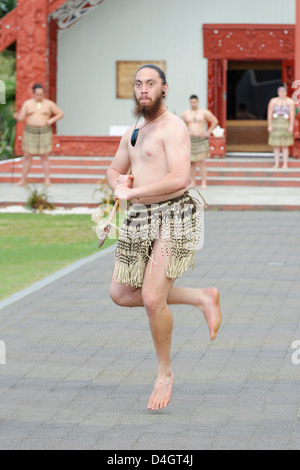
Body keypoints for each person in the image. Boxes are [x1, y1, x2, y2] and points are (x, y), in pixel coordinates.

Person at [107, 65, 222, 411]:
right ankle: (203, 297)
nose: (144, 89)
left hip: (175, 214)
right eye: (139, 84)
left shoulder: (174, 128)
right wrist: (118, 183)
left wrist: (135, 189)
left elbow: (180, 179)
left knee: (154, 299)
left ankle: (164, 371)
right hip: (140, 216)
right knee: (122, 293)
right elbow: (114, 169)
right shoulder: (134, 131)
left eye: (151, 83)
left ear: (164, 88)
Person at [13, 83, 64, 185]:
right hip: (30, 131)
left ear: (44, 94)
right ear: (33, 93)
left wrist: (51, 120)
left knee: (44, 156)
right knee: (27, 156)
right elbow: (22, 117)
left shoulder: (49, 104)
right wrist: (16, 116)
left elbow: (60, 114)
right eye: (37, 94)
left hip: (44, 131)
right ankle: (22, 180)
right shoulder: (27, 104)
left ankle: (47, 180)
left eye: (41, 94)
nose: (39, 96)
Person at [181, 95, 218, 189]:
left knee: (202, 161)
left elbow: (215, 121)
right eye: (191, 102)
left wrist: (208, 132)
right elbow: (180, 125)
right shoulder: (185, 114)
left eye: (195, 102)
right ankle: (192, 181)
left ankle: (203, 182)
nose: (193, 103)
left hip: (201, 138)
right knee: (191, 162)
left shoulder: (204, 112)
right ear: (190, 102)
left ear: (198, 102)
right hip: (191, 139)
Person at [267, 84, 295, 169]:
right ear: (278, 92)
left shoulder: (290, 101)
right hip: (276, 122)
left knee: (285, 144)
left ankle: (285, 164)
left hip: (285, 123)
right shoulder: (273, 101)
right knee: (276, 144)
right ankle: (276, 163)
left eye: (283, 91)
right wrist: (270, 125)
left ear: (286, 92)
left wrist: (291, 126)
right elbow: (269, 113)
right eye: (280, 91)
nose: (282, 93)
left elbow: (292, 114)